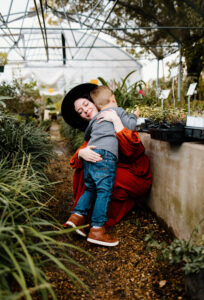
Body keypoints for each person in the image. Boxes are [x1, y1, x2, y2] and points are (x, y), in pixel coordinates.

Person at [61, 83, 152, 246]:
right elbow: (84, 145)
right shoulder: (96, 123)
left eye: (86, 105)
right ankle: (95, 228)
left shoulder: (113, 116)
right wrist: (81, 153)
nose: (85, 111)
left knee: (95, 187)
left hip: (130, 169)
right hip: (107, 164)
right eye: (80, 112)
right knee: (100, 187)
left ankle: (79, 217)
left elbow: (132, 150)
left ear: (95, 102)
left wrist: (117, 122)